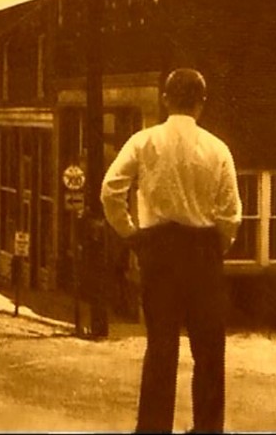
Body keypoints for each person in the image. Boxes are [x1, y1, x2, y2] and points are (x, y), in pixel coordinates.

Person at [100, 68, 242, 433]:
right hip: (203, 250)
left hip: (159, 249)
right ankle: (208, 428)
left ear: (165, 99)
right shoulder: (217, 148)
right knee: (209, 350)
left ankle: (153, 428)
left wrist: (132, 234)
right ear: (201, 104)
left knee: (161, 347)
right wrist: (217, 246)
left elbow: (110, 191)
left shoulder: (144, 141)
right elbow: (231, 213)